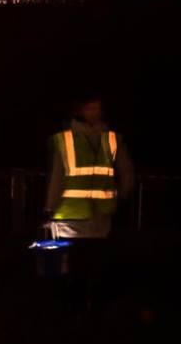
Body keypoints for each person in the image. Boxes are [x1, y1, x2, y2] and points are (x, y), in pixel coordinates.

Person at [43, 93, 135, 308]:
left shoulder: (110, 139)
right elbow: (58, 175)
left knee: (82, 264)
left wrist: (49, 207)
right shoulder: (102, 138)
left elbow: (127, 172)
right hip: (79, 214)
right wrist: (120, 197)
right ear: (80, 110)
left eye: (97, 108)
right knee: (86, 264)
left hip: (84, 214)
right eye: (90, 108)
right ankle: (84, 304)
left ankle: (79, 304)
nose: (94, 112)